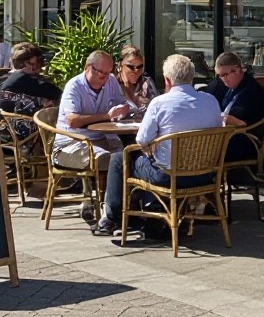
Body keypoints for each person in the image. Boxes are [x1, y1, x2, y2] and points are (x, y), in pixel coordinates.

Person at [92, 53, 223, 236]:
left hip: (169, 176)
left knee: (120, 158)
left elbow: (141, 140)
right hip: (205, 174)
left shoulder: (160, 103)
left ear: (167, 80)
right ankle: (154, 217)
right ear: (192, 77)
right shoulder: (211, 101)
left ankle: (112, 218)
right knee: (152, 160)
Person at [54, 50, 129, 177]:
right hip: (73, 143)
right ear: (88, 67)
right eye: (101, 72)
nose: (105, 77)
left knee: (130, 157)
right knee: (111, 160)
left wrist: (123, 109)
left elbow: (123, 103)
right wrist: (107, 116)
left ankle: (123, 195)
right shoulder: (74, 86)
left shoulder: (111, 81)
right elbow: (72, 120)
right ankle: (110, 196)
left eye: (108, 73)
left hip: (103, 139)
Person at [0, 42, 62, 141]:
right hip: (17, 134)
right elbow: (58, 94)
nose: (38, 68)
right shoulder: (23, 78)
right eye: (34, 64)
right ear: (25, 64)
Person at [208, 51, 264, 163]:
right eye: (220, 76)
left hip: (245, 141)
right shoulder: (229, 86)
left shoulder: (251, 90)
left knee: (205, 148)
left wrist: (216, 116)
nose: (223, 79)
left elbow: (239, 122)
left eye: (225, 75)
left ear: (237, 70)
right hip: (228, 136)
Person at [115, 45, 159, 113]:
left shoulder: (146, 83)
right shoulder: (112, 84)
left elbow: (156, 109)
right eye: (131, 67)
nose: (136, 71)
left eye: (140, 67)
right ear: (120, 66)